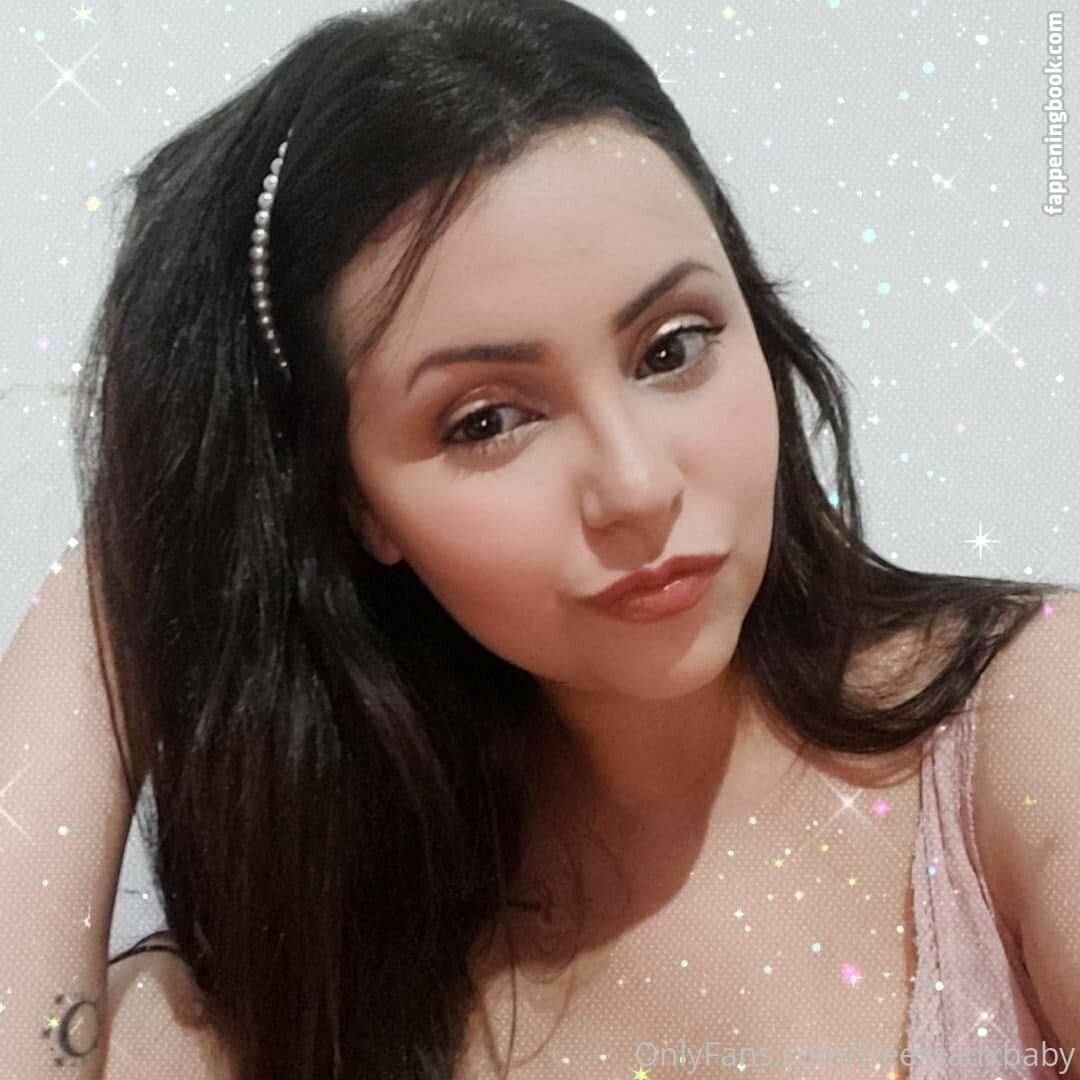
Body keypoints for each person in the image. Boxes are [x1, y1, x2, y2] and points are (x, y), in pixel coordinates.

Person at [2, 0, 1078, 1077]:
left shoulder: (1028, 725)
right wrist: (154, 527)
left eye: (673, 348)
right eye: (488, 421)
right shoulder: (305, 1006)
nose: (637, 486)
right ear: (355, 502)